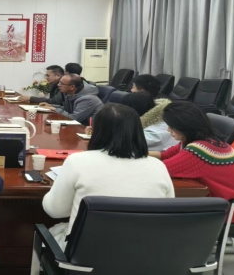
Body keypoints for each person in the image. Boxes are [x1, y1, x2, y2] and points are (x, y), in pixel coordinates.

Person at [42, 103, 174, 249]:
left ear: (97, 130)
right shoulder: (158, 166)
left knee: (51, 233)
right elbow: (167, 215)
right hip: (144, 253)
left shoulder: (77, 161)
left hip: (86, 255)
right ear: (137, 130)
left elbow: (55, 211)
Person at [150, 102, 234, 223]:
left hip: (226, 209)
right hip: (217, 200)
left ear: (185, 127)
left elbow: (161, 169)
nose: (168, 130)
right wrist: (136, 153)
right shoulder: (204, 140)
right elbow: (165, 155)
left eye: (172, 127)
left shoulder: (200, 150)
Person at [38, 74, 103, 125]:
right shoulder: (71, 94)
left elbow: (74, 118)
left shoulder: (88, 99)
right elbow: (67, 109)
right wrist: (51, 106)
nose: (58, 85)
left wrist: (55, 109)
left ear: (72, 87)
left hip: (90, 130)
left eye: (61, 83)